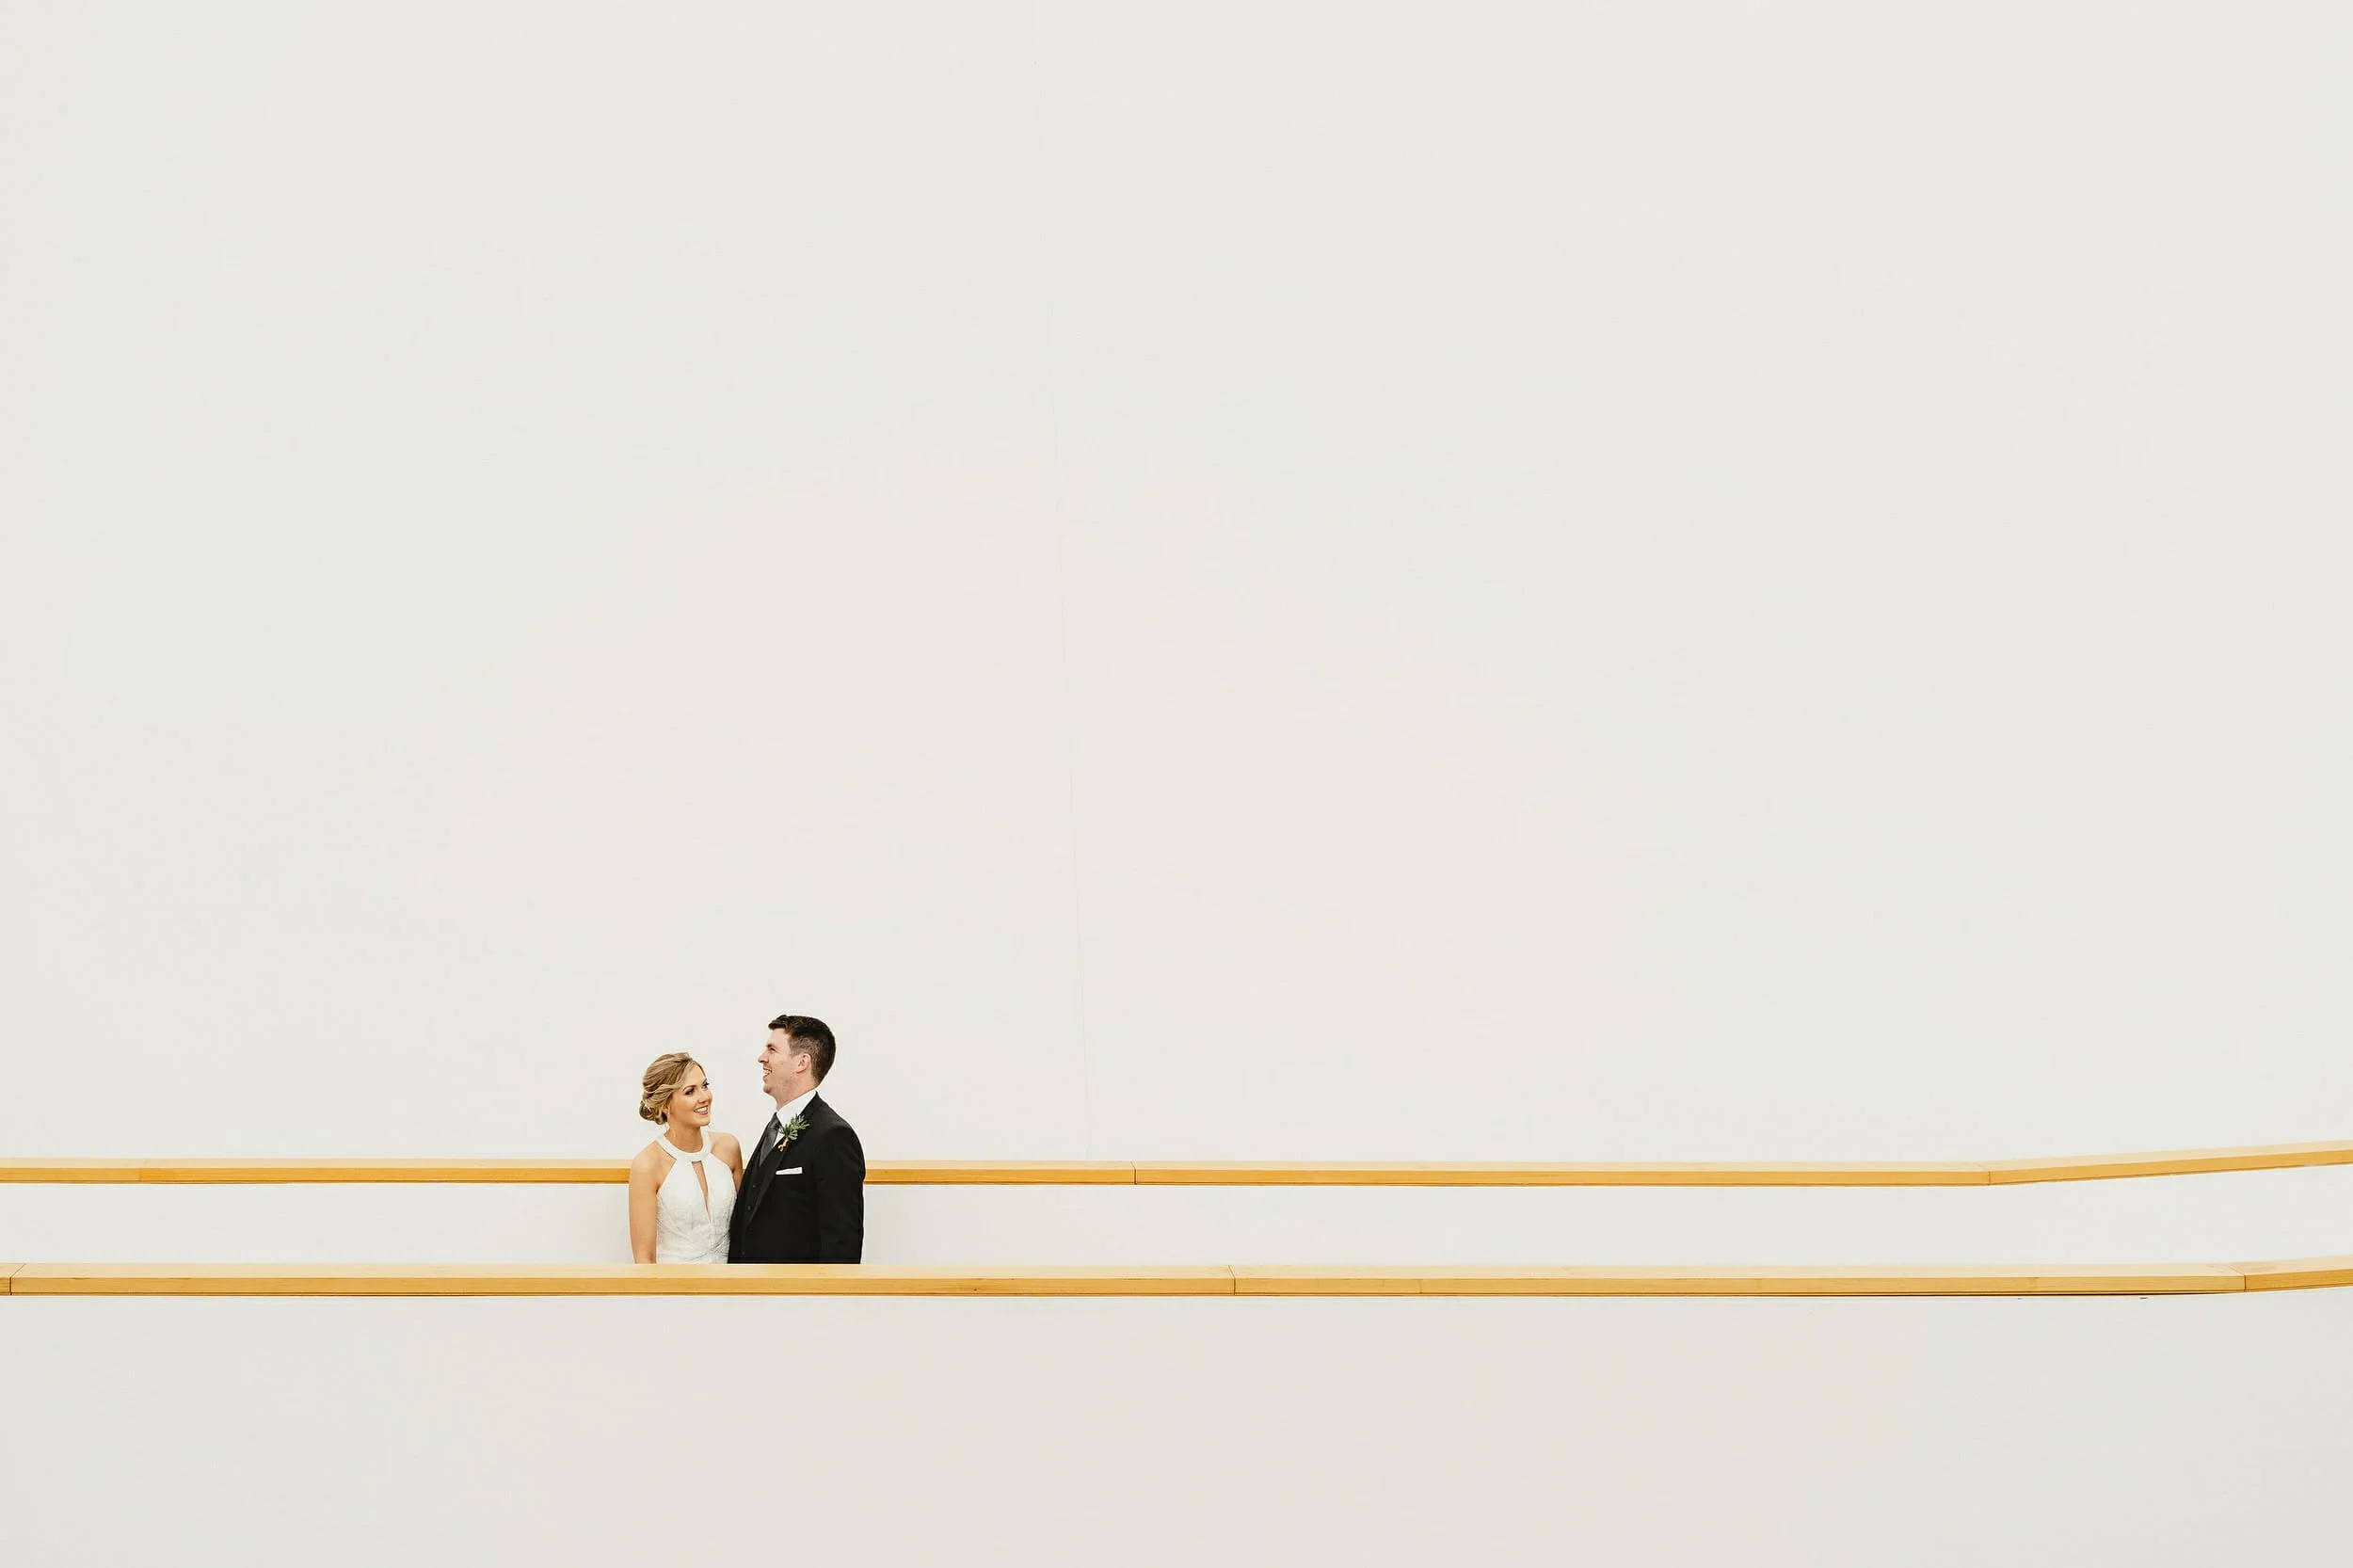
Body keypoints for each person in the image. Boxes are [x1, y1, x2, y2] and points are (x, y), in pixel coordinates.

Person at [728, 1013, 865, 1263]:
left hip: (797, 1296)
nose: (762, 1058)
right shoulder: (776, 1125)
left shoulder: (833, 1136)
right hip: (750, 1292)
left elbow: (842, 1242)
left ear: (801, 1063)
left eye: (772, 1049)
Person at [628, 1053, 744, 1264]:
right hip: (675, 1289)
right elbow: (644, 1258)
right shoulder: (647, 1164)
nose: (704, 1097)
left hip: (731, 1285)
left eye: (705, 1085)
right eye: (690, 1091)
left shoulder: (728, 1148)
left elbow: (747, 1227)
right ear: (665, 1105)